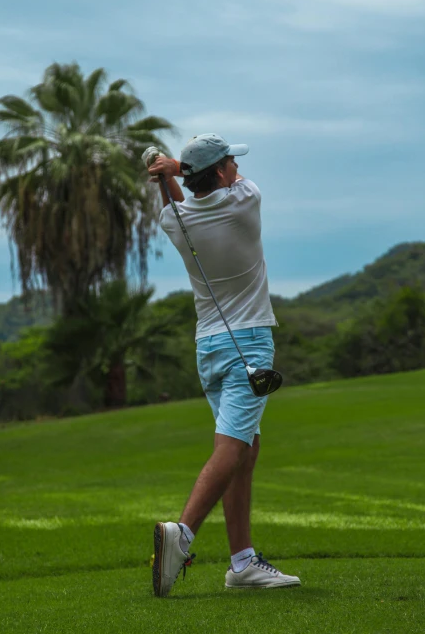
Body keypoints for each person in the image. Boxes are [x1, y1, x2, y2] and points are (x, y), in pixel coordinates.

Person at [146, 133, 301, 597]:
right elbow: (207, 185)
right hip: (249, 344)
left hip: (209, 348)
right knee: (232, 448)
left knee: (246, 449)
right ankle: (183, 535)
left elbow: (177, 203)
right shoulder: (244, 202)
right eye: (229, 161)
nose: (236, 165)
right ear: (219, 172)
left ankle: (242, 562)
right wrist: (171, 167)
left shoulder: (175, 220)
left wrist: (164, 173)